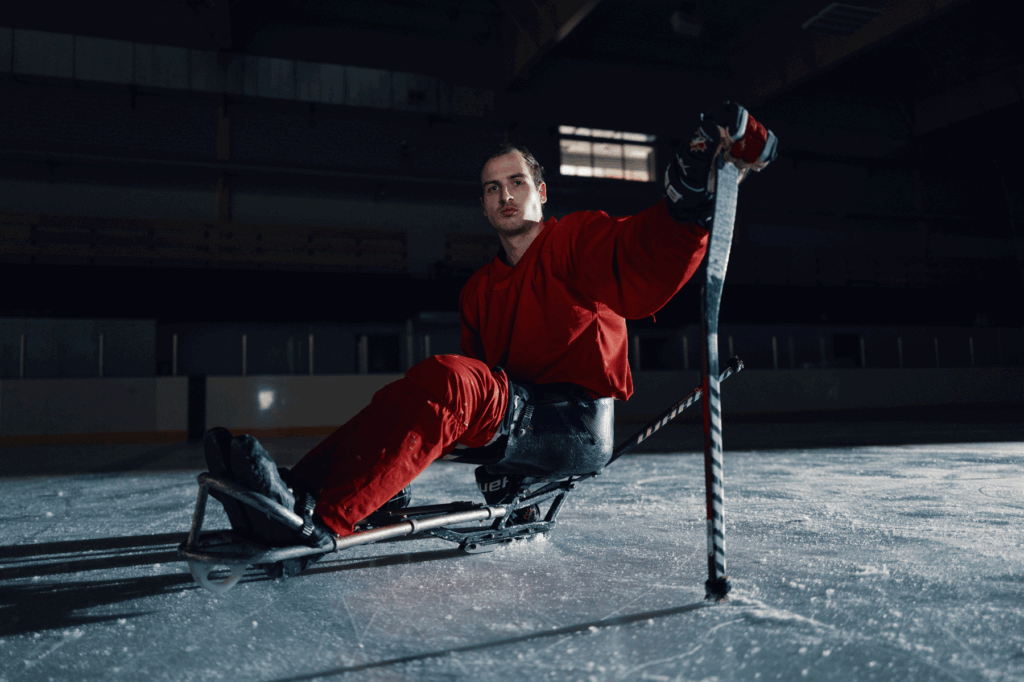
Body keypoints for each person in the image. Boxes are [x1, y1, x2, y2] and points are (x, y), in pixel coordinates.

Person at [204, 101, 777, 554]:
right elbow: (467, 400)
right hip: (516, 412)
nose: (505, 195)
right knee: (413, 389)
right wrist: (400, 460)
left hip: (572, 424)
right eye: (492, 188)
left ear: (541, 192)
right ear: (483, 205)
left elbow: (638, 256)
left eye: (517, 182)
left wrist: (688, 201)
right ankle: (296, 492)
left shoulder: (573, 240)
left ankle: (318, 519)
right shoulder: (477, 290)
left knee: (451, 381)